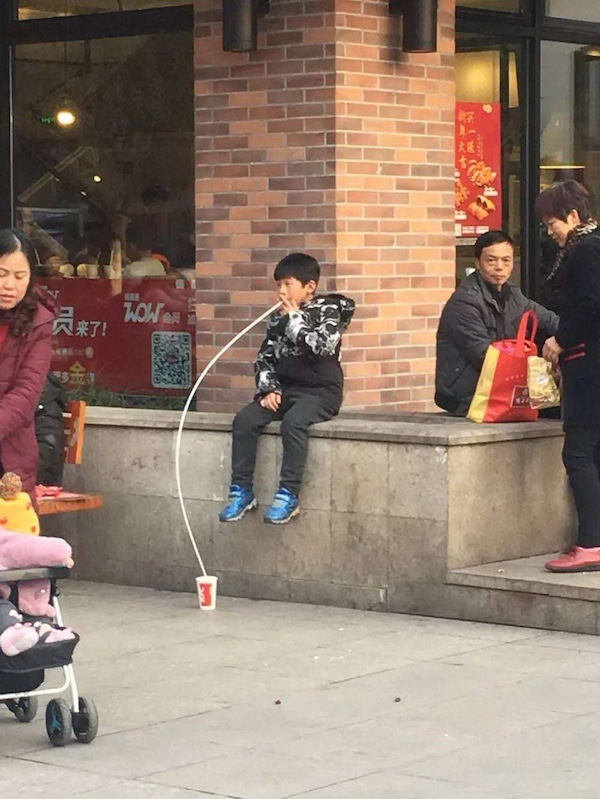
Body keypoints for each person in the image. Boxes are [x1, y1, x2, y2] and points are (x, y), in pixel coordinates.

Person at [219, 252, 355, 525]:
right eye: (278, 285)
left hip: (320, 392)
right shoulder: (277, 318)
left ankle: (288, 494)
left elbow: (322, 346)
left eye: (287, 284)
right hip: (285, 390)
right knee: (245, 420)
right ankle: (242, 490)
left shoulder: (329, 311)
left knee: (293, 423)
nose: (281, 291)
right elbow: (265, 356)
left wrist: (294, 318)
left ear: (309, 286)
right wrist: (269, 388)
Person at [534, 181, 600, 572]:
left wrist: (560, 339)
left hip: (589, 369)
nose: (550, 232)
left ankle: (590, 543)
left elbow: (591, 305)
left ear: (573, 216)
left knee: (578, 452)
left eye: (552, 223)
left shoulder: (586, 251)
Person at [435, 230, 558, 417]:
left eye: (506, 260)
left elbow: (549, 319)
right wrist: (538, 373)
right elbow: (485, 356)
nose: (499, 267)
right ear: (478, 263)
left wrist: (567, 338)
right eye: (491, 260)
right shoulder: (465, 302)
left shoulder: (513, 295)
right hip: (468, 394)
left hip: (501, 387)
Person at [0, 230, 58, 499]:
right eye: (2, 274)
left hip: (9, 459)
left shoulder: (39, 324)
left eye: (19, 276)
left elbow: (26, 393)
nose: (9, 285)